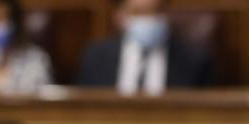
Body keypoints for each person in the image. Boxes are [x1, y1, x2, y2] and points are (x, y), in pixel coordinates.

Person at [76, 0, 214, 94]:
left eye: (154, 12)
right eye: (138, 13)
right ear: (119, 17)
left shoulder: (194, 60)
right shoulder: (96, 57)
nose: (147, 19)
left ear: (166, 14)